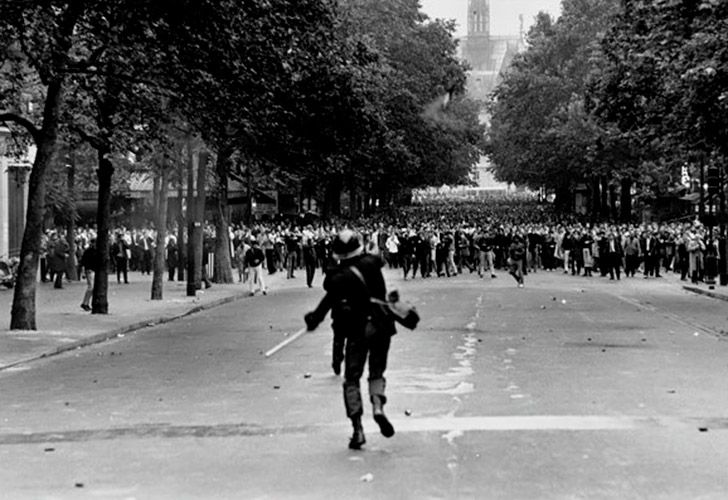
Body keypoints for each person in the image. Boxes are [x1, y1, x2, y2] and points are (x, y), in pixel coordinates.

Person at [304, 229, 396, 450]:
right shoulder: (373, 263)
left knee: (352, 378)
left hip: (357, 330)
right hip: (381, 326)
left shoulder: (339, 277)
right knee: (376, 372)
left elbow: (328, 299)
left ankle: (357, 429)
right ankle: (377, 406)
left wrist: (314, 319)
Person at [79, 238, 100, 311]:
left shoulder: (95, 251)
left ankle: (86, 303)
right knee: (91, 287)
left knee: (91, 287)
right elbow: (83, 262)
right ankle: (85, 303)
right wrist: (83, 272)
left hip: (92, 270)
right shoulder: (88, 251)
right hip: (89, 270)